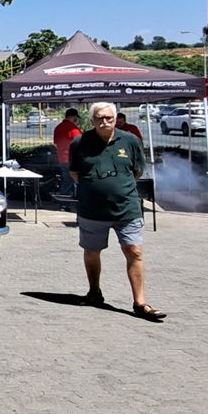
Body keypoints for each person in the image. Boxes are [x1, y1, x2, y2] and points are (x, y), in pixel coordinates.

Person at [70, 101, 164, 320]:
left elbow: (137, 171)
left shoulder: (130, 141)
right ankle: (94, 292)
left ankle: (140, 303)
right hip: (92, 210)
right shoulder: (79, 143)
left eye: (109, 118)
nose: (105, 122)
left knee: (134, 251)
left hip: (126, 208)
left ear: (115, 119)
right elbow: (75, 173)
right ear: (92, 120)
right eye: (100, 118)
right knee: (92, 252)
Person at [52, 108, 82, 198]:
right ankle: (66, 202)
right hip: (72, 159)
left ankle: (64, 201)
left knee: (67, 180)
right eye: (76, 118)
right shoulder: (73, 128)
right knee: (71, 180)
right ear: (73, 117)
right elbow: (80, 143)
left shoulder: (58, 127)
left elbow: (56, 142)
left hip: (62, 158)